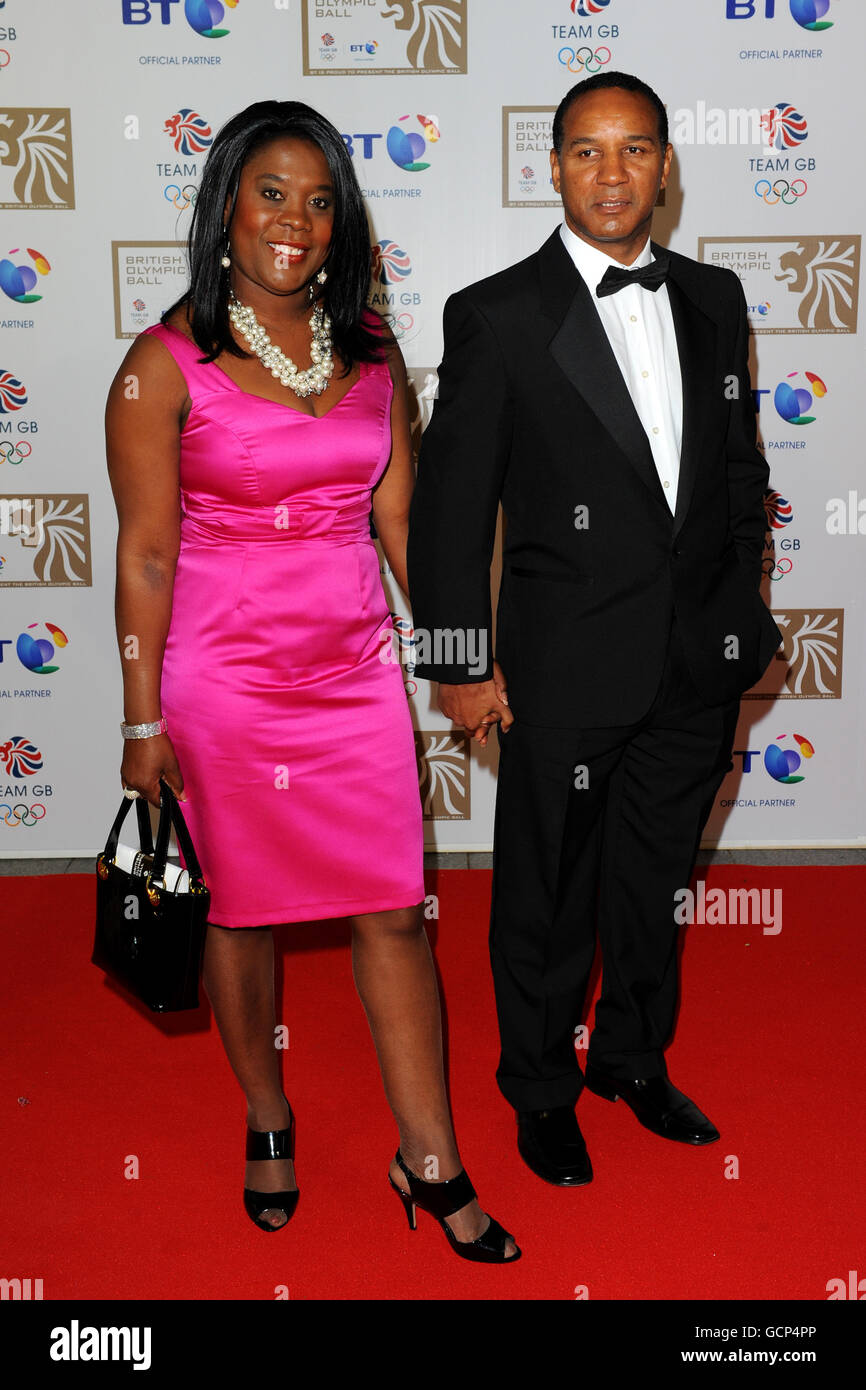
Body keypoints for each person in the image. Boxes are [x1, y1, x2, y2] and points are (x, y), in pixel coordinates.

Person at [105, 99, 518, 1261]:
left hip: (349, 674)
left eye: (320, 198)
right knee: (236, 919)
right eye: (271, 193)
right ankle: (267, 1112)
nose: (295, 220)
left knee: (393, 909)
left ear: (344, 219)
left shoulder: (377, 352)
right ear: (226, 206)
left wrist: (458, 665)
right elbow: (143, 553)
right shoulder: (163, 361)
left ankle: (427, 1157)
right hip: (221, 681)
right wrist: (142, 720)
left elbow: (405, 529)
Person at [407, 73, 781, 1187]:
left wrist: (737, 615)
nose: (609, 173)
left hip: (691, 667)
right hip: (559, 671)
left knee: (654, 885)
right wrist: (461, 668)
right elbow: (448, 511)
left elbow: (737, 470)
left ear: (665, 168)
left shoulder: (714, 298)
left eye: (632, 151)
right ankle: (537, 1087)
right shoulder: (498, 315)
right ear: (552, 166)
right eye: (584, 151)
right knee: (548, 892)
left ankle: (628, 1056)